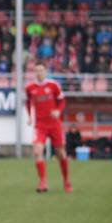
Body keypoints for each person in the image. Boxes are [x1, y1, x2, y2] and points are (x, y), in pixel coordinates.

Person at [26, 62, 72, 193]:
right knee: (37, 152)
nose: (39, 73)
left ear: (46, 72)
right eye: (36, 71)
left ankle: (66, 181)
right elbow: (28, 102)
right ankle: (43, 182)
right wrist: (29, 116)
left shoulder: (53, 85)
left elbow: (62, 100)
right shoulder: (30, 87)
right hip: (40, 125)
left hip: (54, 124)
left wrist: (58, 110)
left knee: (61, 154)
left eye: (41, 70)